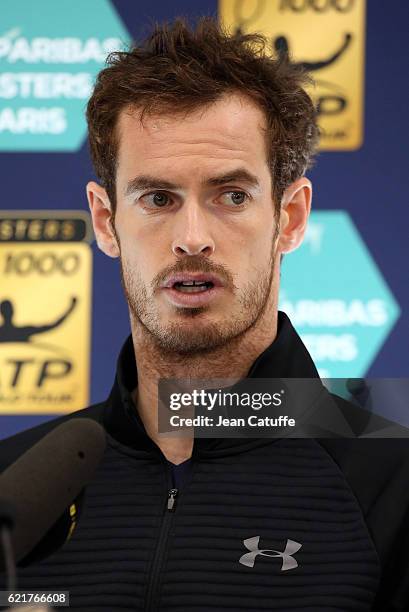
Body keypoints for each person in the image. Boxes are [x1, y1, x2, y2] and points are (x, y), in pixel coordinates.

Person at [0, 17, 408, 611]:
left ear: (289, 218)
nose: (193, 238)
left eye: (231, 196)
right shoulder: (13, 495)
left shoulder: (392, 479)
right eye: (158, 199)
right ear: (106, 219)